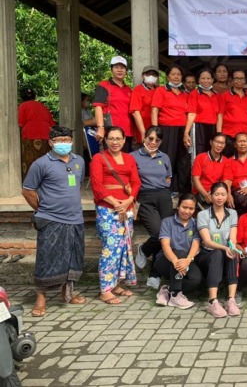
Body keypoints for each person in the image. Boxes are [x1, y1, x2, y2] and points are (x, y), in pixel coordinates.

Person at [22, 126, 87, 317]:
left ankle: (67, 295)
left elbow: (78, 183)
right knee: (47, 259)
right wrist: (41, 209)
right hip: (51, 219)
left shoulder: (79, 161)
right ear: (51, 142)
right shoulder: (41, 164)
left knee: (72, 258)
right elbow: (27, 190)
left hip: (75, 218)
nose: (64, 143)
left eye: (67, 140)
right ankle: (40, 300)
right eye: (59, 140)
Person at [90, 126, 141, 305]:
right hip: (107, 208)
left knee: (123, 248)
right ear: (106, 140)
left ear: (124, 140)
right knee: (110, 249)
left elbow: (136, 182)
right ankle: (105, 289)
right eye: (111, 138)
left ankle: (116, 284)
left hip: (126, 208)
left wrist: (129, 200)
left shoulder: (129, 158)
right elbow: (97, 185)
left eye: (118, 138)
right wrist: (115, 203)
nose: (115, 142)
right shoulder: (98, 158)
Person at [132, 126, 173, 289]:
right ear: (144, 138)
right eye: (150, 138)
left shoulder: (165, 157)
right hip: (145, 196)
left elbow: (168, 178)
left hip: (163, 196)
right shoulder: (133, 157)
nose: (153, 142)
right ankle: (144, 249)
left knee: (167, 235)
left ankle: (155, 275)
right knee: (158, 233)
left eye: (157, 140)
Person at [196, 182, 240, 318]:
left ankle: (231, 299)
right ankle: (212, 301)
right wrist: (224, 247)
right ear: (210, 195)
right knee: (217, 254)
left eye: (223, 194)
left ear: (227, 196)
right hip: (206, 254)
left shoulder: (232, 213)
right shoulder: (203, 214)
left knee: (233, 253)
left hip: (224, 251)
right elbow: (207, 241)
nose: (220, 198)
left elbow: (232, 239)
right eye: (216, 194)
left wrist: (231, 248)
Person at [153, 193, 201, 310]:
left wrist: (188, 260)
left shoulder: (195, 224)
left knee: (196, 279)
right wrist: (175, 260)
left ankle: (166, 290)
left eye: (191, 208)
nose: (187, 211)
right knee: (179, 252)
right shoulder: (167, 222)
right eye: (184, 207)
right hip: (165, 261)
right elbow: (165, 245)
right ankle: (175, 295)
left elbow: (196, 243)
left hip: (186, 261)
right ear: (178, 206)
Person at [151, 64, 191, 194]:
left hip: (182, 129)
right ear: (168, 76)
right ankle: (165, 187)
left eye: (178, 74)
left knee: (182, 159)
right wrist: (155, 130)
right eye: (173, 74)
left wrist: (187, 132)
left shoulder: (185, 93)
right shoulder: (161, 90)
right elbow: (154, 110)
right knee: (167, 158)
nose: (176, 77)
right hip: (166, 128)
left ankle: (180, 189)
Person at [93, 55, 133, 149]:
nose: (120, 70)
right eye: (116, 67)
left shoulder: (129, 90)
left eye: (122, 67)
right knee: (111, 161)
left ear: (126, 70)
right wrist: (100, 128)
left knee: (124, 160)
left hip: (127, 133)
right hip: (111, 132)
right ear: (111, 69)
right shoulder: (103, 85)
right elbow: (98, 107)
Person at [18, 87, 56, 179]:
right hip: (45, 134)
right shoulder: (42, 105)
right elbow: (52, 123)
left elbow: (20, 123)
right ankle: (45, 180)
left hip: (30, 135)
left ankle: (29, 182)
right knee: (44, 159)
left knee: (29, 160)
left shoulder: (22, 106)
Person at [184, 68, 220, 155]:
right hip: (198, 127)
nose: (206, 81)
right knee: (199, 153)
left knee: (212, 152)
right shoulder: (194, 93)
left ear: (212, 79)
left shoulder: (217, 95)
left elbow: (219, 115)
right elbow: (191, 114)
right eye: (203, 78)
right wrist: (186, 133)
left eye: (208, 78)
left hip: (213, 127)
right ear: (198, 80)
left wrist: (219, 133)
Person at [217, 70, 247, 156]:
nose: (239, 81)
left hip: (244, 136)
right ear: (232, 81)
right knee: (228, 161)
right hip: (229, 135)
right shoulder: (225, 95)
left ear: (245, 80)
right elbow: (220, 115)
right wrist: (219, 134)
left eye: (241, 79)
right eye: (236, 78)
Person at [192, 133, 228, 207]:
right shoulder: (200, 158)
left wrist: (217, 194)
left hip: (217, 192)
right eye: (217, 142)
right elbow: (195, 179)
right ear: (211, 142)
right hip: (202, 192)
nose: (219, 145)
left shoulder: (226, 161)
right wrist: (206, 195)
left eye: (222, 143)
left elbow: (225, 181)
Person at [130, 65, 159, 145]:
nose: (151, 76)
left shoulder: (159, 90)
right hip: (143, 130)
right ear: (143, 76)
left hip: (158, 130)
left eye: (154, 75)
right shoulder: (138, 90)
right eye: (148, 74)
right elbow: (135, 112)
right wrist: (143, 132)